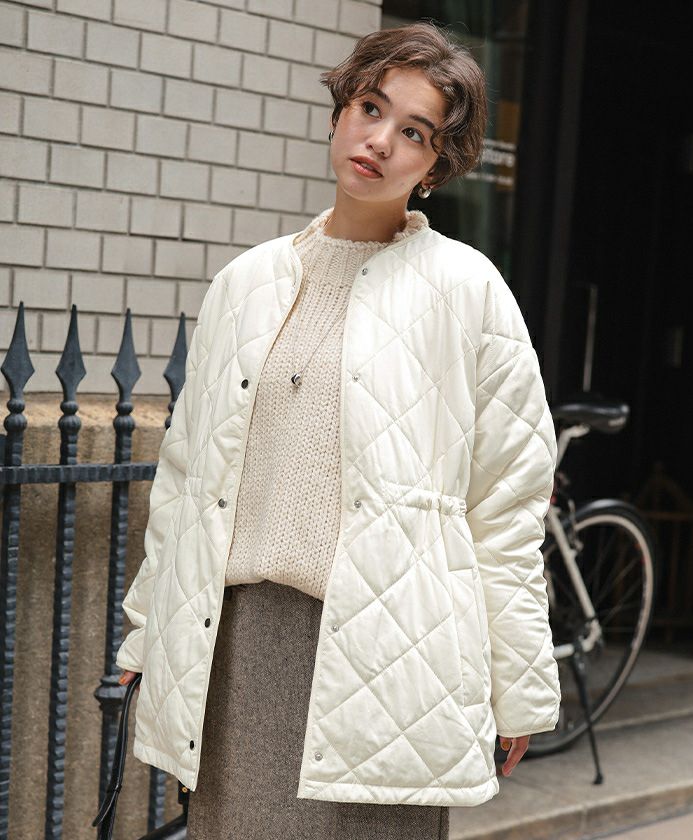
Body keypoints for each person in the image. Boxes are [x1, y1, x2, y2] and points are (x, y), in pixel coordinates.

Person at [117, 20, 561, 840]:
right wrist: (146, 636)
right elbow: (186, 481)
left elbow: (506, 506)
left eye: (415, 132)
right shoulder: (244, 284)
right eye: (371, 108)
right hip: (237, 646)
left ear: (436, 165)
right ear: (340, 112)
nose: (381, 141)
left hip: (395, 658)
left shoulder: (468, 292)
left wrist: (518, 687)